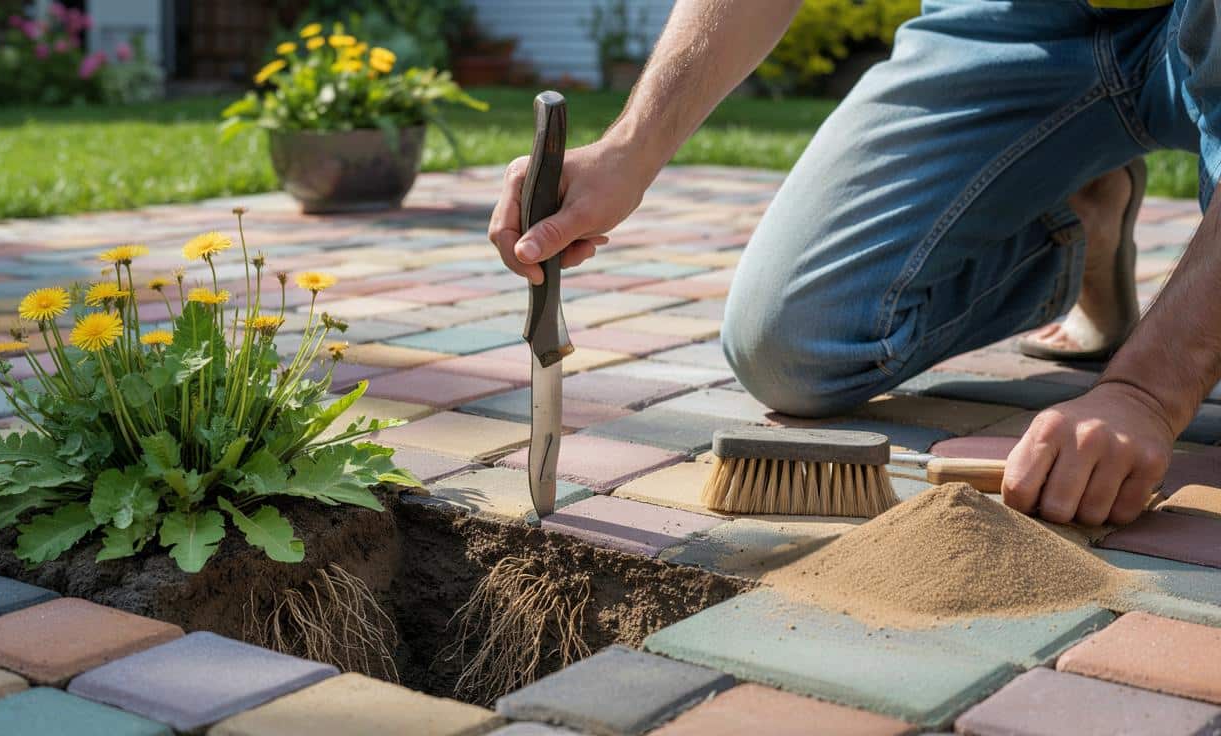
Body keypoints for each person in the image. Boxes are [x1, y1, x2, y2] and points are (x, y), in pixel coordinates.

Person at [487, 0, 1221, 527]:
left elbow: (1157, 393)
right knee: (789, 346)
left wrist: (1147, 394)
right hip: (1016, 20)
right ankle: (1079, 213)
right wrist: (631, 148)